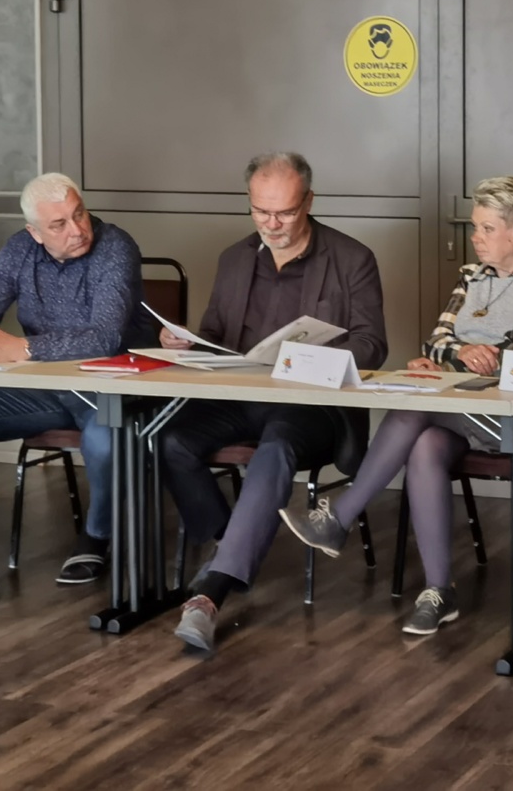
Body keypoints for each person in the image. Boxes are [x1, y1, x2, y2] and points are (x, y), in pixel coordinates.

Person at [278, 175, 513, 634]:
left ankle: (340, 516)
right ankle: (439, 591)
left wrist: (460, 357)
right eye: (475, 227)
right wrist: (460, 354)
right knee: (424, 446)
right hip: (464, 409)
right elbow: (435, 340)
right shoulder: (471, 276)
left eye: (486, 228)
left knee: (413, 406)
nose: (475, 237)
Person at [160, 152, 386, 654]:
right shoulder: (235, 258)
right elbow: (216, 336)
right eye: (260, 211)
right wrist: (187, 343)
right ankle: (232, 542)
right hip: (243, 396)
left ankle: (212, 592)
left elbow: (373, 346)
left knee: (277, 446)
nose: (272, 224)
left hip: (314, 407)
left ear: (309, 201)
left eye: (284, 212)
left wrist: (306, 358)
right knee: (170, 438)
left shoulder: (351, 259)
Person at [0, 173, 155, 609]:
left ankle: (97, 538)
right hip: (44, 388)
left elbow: (106, 337)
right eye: (59, 224)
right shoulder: (19, 249)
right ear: (35, 233)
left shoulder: (115, 246)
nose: (77, 229)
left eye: (79, 214)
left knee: (104, 437)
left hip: (109, 388)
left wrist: (23, 347)